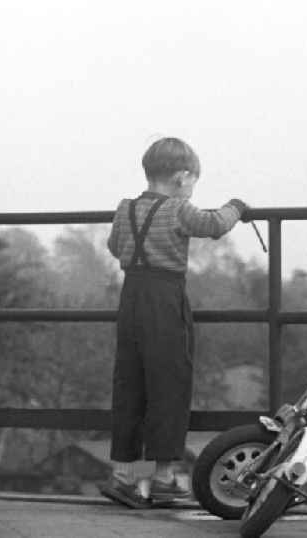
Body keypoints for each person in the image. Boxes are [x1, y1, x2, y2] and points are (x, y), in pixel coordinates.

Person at [100, 137, 249, 508]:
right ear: (183, 177)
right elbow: (214, 224)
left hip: (131, 296)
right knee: (169, 384)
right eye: (194, 181)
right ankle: (164, 478)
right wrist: (237, 206)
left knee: (130, 384)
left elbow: (114, 246)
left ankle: (123, 475)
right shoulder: (179, 209)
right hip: (165, 299)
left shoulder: (125, 208)